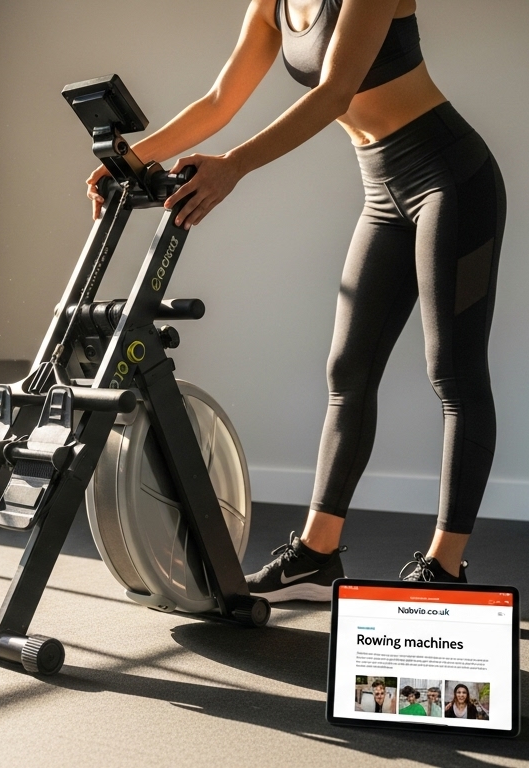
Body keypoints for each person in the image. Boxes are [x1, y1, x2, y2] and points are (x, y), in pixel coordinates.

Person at [85, 0, 505, 598]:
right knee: (347, 370)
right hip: (381, 187)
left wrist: (234, 166)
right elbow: (219, 102)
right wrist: (132, 160)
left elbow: (336, 91)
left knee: (453, 373)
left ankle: (446, 565)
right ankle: (317, 550)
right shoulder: (271, 5)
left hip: (450, 177)